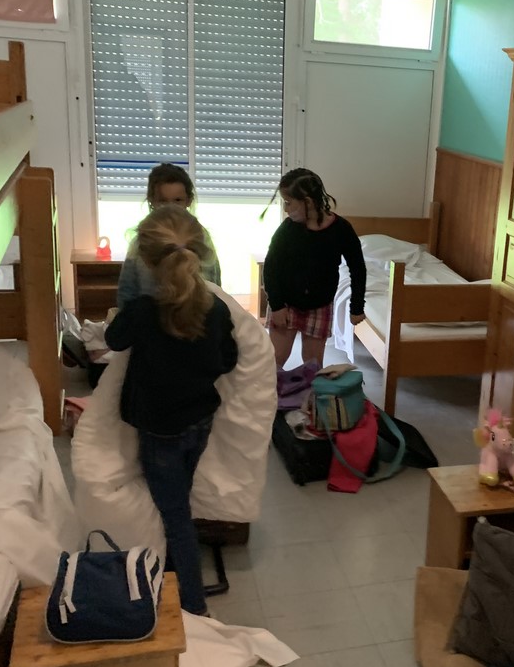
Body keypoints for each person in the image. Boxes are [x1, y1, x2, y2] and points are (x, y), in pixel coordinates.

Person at [105, 205, 238, 616]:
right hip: (199, 421)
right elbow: (227, 360)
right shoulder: (215, 309)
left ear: (146, 260)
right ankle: (177, 572)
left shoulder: (143, 312)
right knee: (179, 499)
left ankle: (194, 607)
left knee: (176, 515)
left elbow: (113, 339)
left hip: (160, 429)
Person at [263, 167, 366, 368]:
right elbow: (271, 268)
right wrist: (276, 305)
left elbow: (357, 268)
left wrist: (356, 307)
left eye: (288, 202)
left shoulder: (341, 229)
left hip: (320, 305)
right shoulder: (288, 229)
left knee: (313, 365)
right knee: (275, 360)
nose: (285, 209)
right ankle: (271, 390)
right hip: (286, 304)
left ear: (308, 202)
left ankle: (309, 390)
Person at [116, 163, 222, 308]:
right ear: (152, 201)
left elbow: (214, 287)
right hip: (148, 317)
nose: (170, 208)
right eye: (163, 201)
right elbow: (127, 292)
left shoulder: (200, 237)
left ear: (188, 201)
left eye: (177, 200)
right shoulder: (141, 240)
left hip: (194, 314)